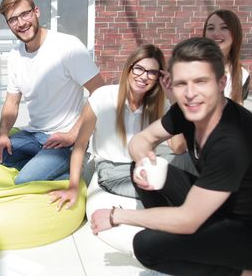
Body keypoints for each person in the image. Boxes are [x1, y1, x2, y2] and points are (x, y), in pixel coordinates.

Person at [91, 37, 252, 276]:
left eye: (201, 81)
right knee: (142, 169)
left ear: (222, 83)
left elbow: (188, 220)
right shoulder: (186, 110)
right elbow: (141, 139)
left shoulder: (232, 140)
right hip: (226, 208)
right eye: (181, 84)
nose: (190, 93)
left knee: (146, 245)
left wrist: (116, 216)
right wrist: (144, 159)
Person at [50, 44, 184, 254]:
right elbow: (80, 145)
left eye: (152, 72)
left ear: (159, 77)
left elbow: (178, 147)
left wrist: (174, 98)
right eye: (139, 68)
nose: (144, 76)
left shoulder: (161, 106)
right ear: (129, 69)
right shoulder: (103, 97)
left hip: (144, 169)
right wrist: (73, 185)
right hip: (110, 171)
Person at [0, 0, 104, 184]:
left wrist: (73, 134)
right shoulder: (15, 55)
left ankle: (75, 166)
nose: (21, 23)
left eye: (25, 14)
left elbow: (101, 92)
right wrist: (2, 134)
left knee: (23, 180)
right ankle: (48, 168)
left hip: (64, 138)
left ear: (36, 12)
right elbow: (11, 101)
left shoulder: (67, 46)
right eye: (13, 19)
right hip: (33, 135)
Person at [203, 9, 250, 104]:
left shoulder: (242, 75)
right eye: (211, 28)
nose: (216, 33)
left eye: (224, 27)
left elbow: (238, 115)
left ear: (235, 34)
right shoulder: (191, 66)